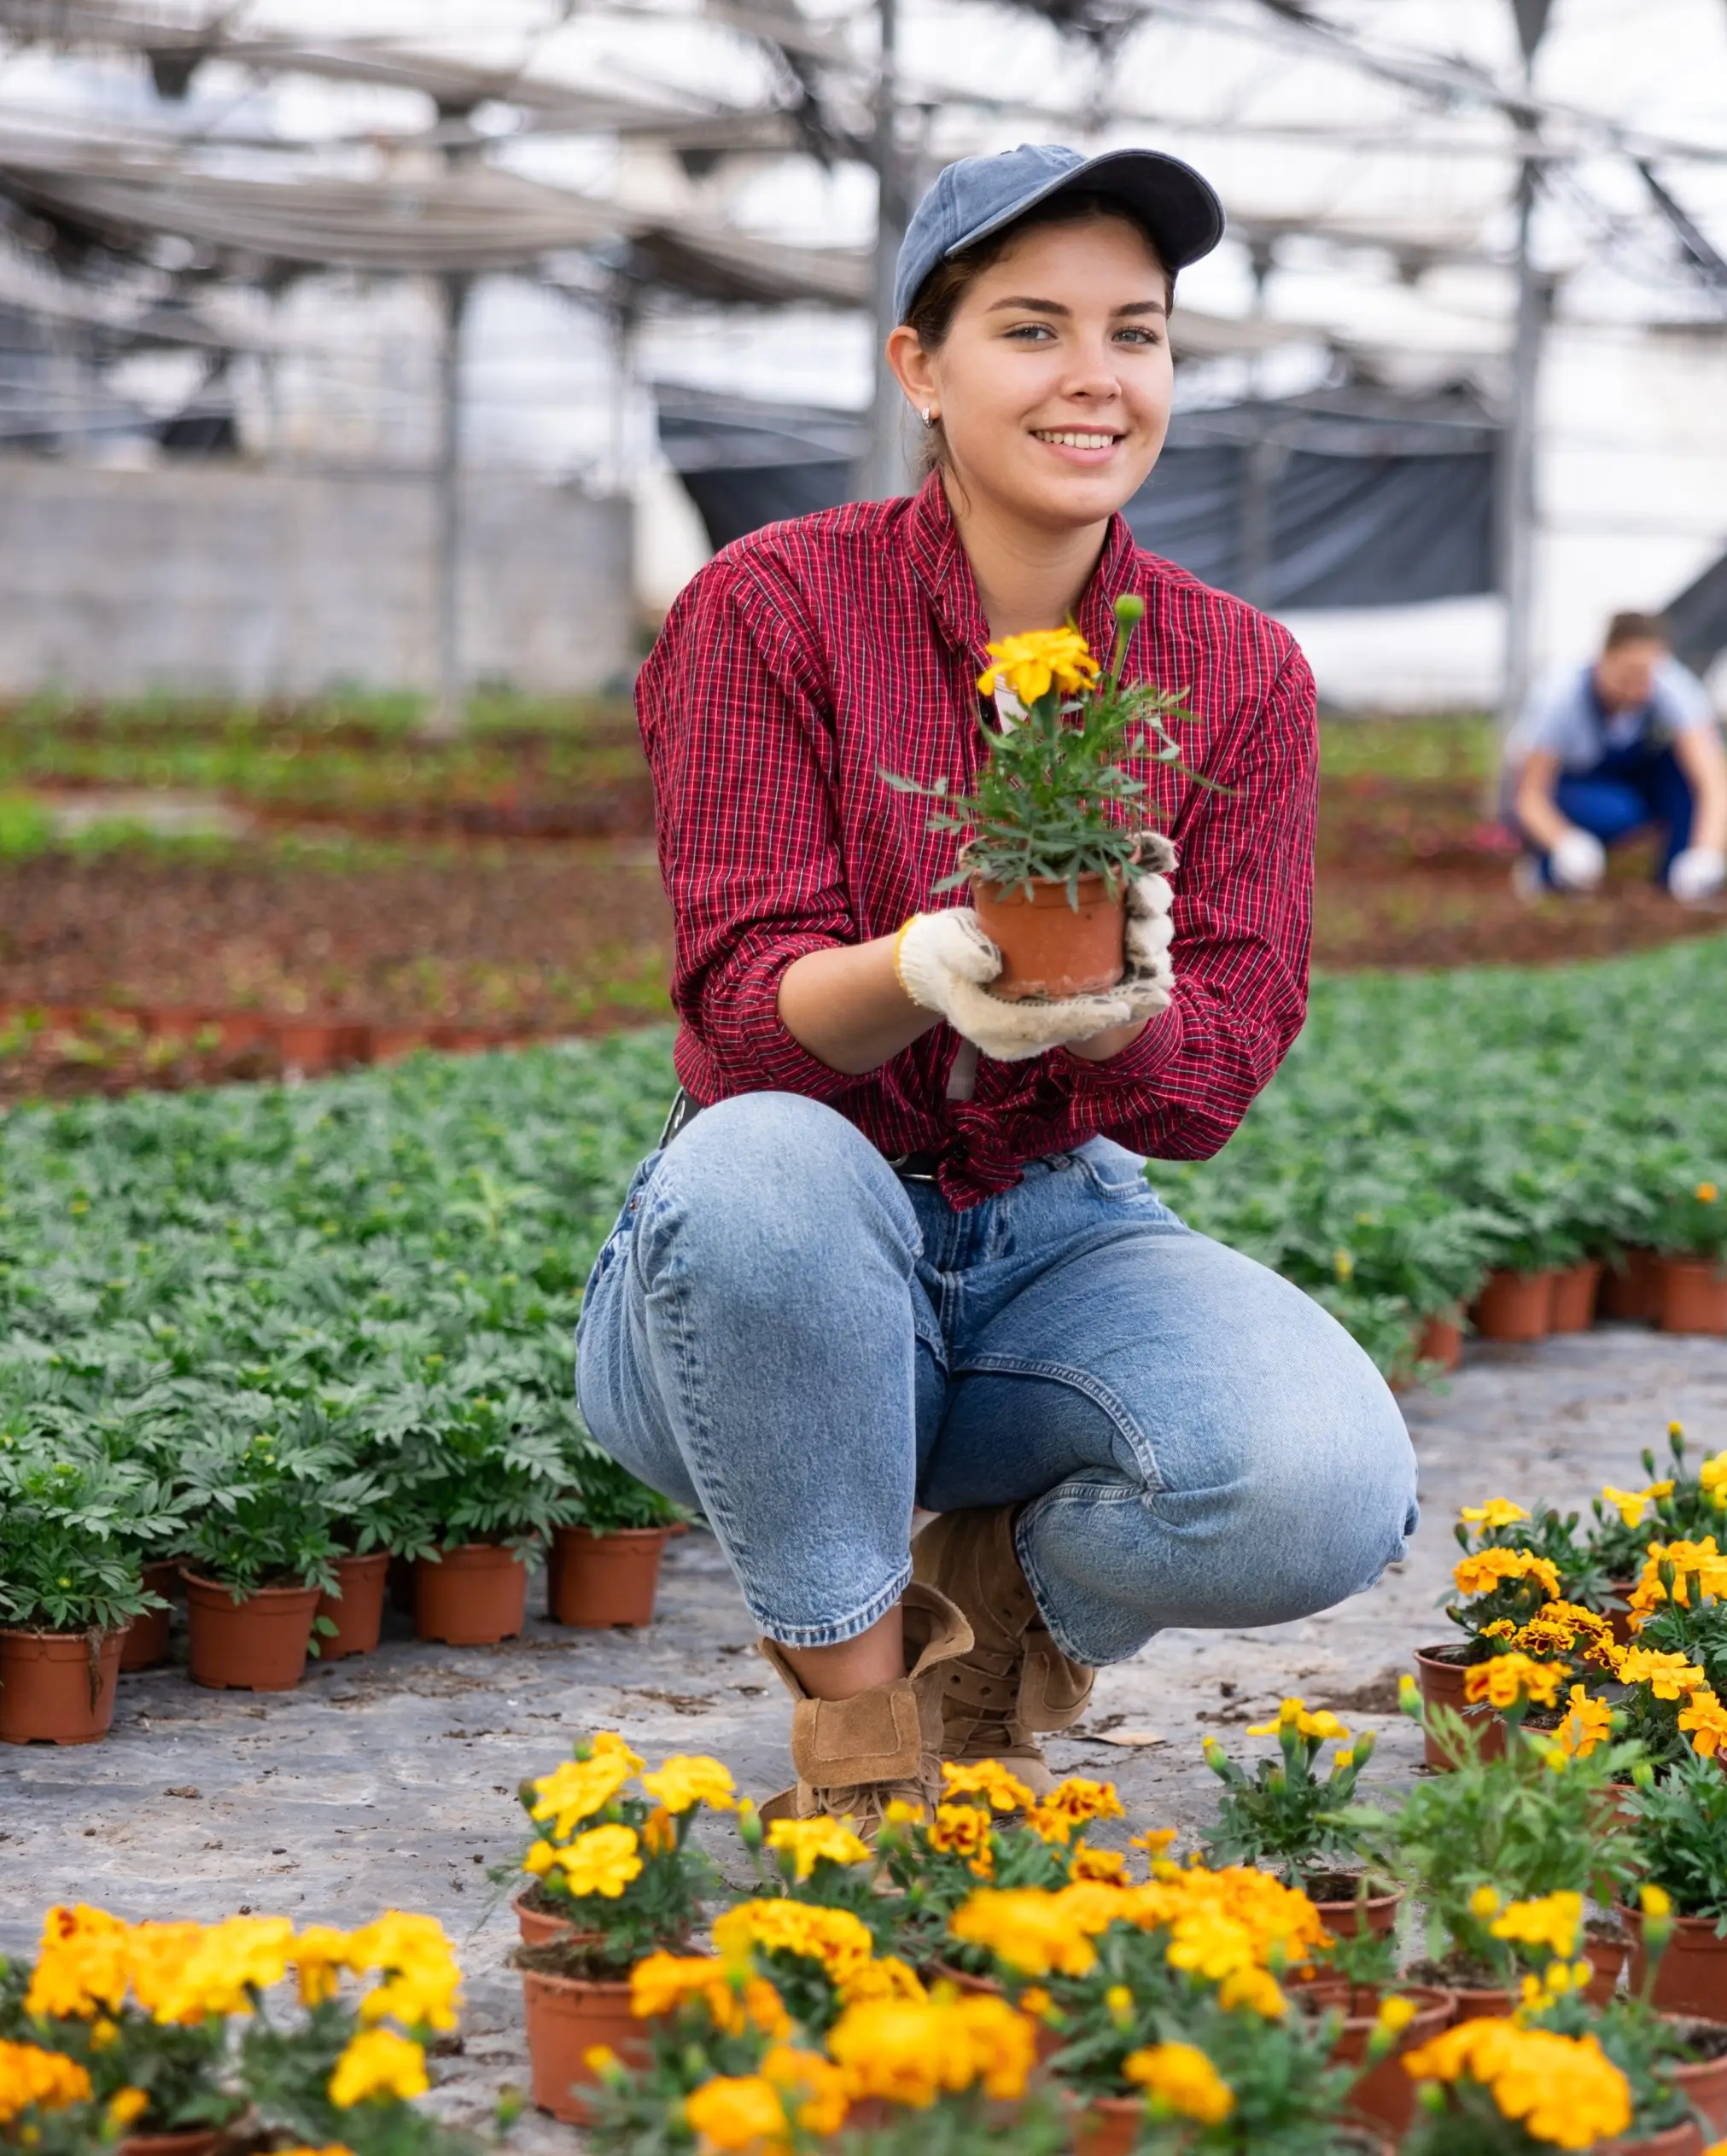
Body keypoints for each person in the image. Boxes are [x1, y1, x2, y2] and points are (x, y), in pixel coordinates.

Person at [579, 143, 1416, 1828]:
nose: (1096, 378)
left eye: (1140, 332)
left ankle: (995, 1623)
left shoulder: (1236, 672)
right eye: (1032, 330)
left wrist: (1115, 1015)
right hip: (781, 1259)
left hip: (1052, 1227)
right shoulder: (771, 608)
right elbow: (748, 1009)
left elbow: (1212, 1082)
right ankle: (864, 1748)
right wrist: (925, 964)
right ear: (921, 365)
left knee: (1320, 1486)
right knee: (753, 1163)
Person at [1504, 611, 1727, 901]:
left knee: (1686, 768)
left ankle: (1679, 881)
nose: (1638, 686)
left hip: (1632, 780)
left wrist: (1709, 852)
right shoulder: (1560, 695)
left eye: (1646, 675)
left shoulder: (1674, 686)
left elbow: (1715, 783)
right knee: (1616, 812)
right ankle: (1547, 871)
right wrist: (1565, 842)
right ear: (1603, 658)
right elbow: (1529, 796)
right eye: (1628, 673)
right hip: (1572, 786)